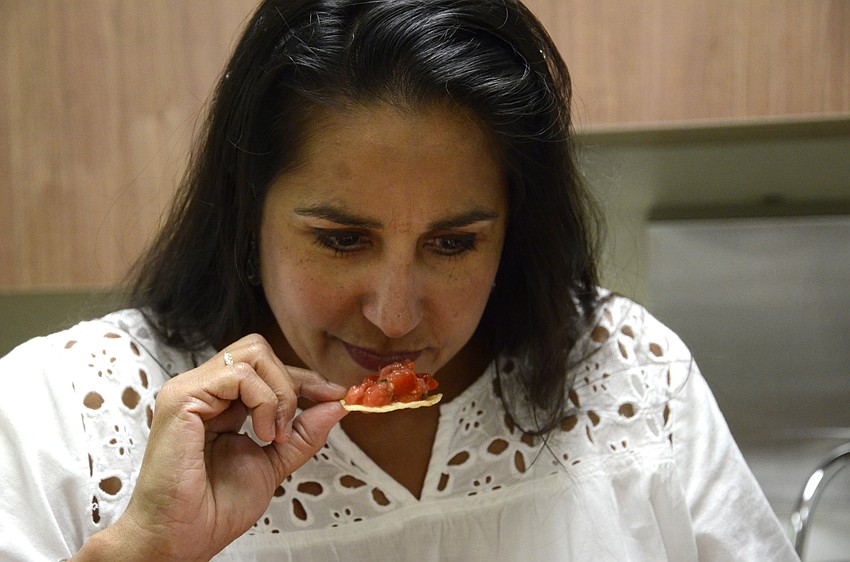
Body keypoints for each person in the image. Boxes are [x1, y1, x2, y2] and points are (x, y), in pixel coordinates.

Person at [0, 1, 799, 560]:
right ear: (247, 209)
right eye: (342, 239)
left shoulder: (628, 370)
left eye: (453, 244)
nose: (393, 313)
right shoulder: (60, 413)